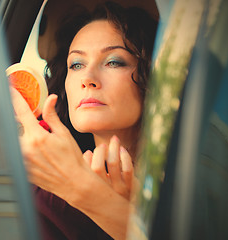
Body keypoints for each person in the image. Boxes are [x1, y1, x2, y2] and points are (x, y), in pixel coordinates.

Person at [11, 1, 157, 239]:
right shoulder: (41, 194)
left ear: (150, 76)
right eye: (76, 64)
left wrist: (79, 188)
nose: (87, 78)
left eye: (113, 61)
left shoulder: (189, 177)